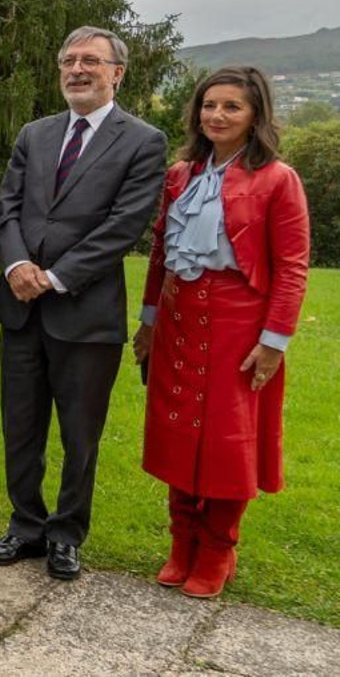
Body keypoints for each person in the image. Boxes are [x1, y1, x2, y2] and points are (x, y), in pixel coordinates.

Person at [0, 26, 167, 580]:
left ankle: (67, 532)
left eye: (91, 60)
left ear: (117, 72)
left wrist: (57, 277)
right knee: (20, 426)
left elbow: (125, 226)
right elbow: (7, 208)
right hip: (20, 308)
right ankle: (25, 524)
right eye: (69, 60)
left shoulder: (142, 141)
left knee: (79, 434)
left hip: (85, 314)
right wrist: (16, 267)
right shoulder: (35, 134)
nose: (77, 69)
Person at [132, 66, 309, 599]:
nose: (217, 116)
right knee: (176, 431)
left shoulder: (279, 178)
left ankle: (216, 550)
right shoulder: (180, 174)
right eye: (210, 105)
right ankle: (181, 542)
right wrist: (147, 324)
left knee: (229, 444)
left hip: (238, 325)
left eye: (232, 106)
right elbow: (161, 252)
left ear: (256, 115)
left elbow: (294, 266)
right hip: (179, 319)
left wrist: (273, 342)